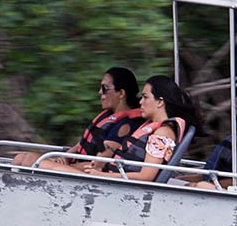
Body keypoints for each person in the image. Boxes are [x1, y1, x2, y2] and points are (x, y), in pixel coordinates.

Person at [48, 75, 199, 183]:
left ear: (160, 102)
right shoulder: (150, 127)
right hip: (110, 177)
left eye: (145, 97)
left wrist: (103, 176)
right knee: (35, 162)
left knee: (42, 165)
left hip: (116, 185)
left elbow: (147, 176)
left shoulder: (163, 133)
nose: (140, 102)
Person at [12, 66, 143, 168]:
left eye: (104, 88)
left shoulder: (126, 125)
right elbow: (80, 145)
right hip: (77, 164)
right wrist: (65, 158)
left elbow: (99, 163)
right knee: (21, 158)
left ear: (121, 93)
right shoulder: (109, 116)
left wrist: (64, 166)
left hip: (88, 172)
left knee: (30, 161)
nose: (99, 92)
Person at [179, 80, 237, 185]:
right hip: (213, 183)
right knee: (174, 181)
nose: (235, 102)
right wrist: (181, 179)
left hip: (225, 191)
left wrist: (199, 185)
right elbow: (206, 176)